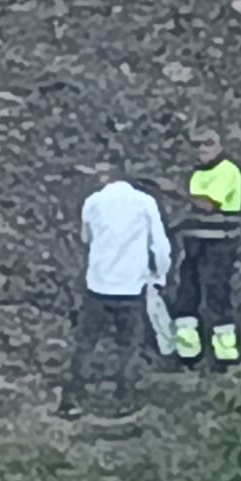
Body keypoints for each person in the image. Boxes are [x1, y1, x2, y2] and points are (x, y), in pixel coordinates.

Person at [60, 167, 173, 419]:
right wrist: (159, 275)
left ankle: (71, 398)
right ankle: (124, 398)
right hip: (132, 286)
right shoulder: (145, 202)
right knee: (129, 346)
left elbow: (85, 236)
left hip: (98, 285)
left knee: (85, 344)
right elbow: (161, 245)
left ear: (105, 180)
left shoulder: (93, 202)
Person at [174, 135, 241, 369]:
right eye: (197, 144)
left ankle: (226, 360)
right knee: (187, 296)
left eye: (208, 143)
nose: (202, 149)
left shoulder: (227, 170)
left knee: (217, 296)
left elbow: (207, 204)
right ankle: (188, 356)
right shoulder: (198, 173)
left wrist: (175, 192)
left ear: (220, 145)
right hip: (196, 242)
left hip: (220, 244)